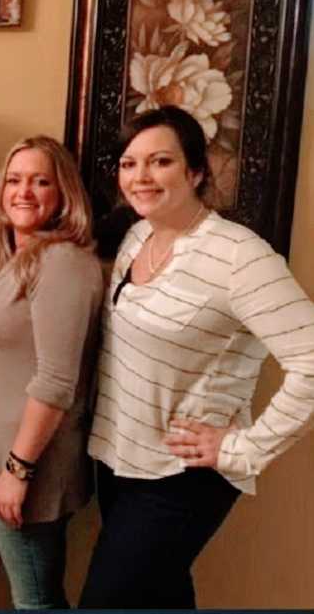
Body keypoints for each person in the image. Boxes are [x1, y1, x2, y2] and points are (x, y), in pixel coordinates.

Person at [79, 105, 314, 608]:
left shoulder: (240, 256)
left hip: (182, 478)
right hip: (121, 461)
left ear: (196, 171)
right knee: (159, 597)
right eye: (128, 163)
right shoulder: (137, 236)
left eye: (159, 161)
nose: (140, 176)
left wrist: (245, 448)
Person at [0, 136, 102, 608]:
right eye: (15, 180)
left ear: (64, 195)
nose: (24, 191)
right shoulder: (18, 261)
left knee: (36, 600)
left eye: (41, 182)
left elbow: (57, 381)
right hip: (10, 459)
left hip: (31, 463)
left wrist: (17, 470)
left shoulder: (62, 264)